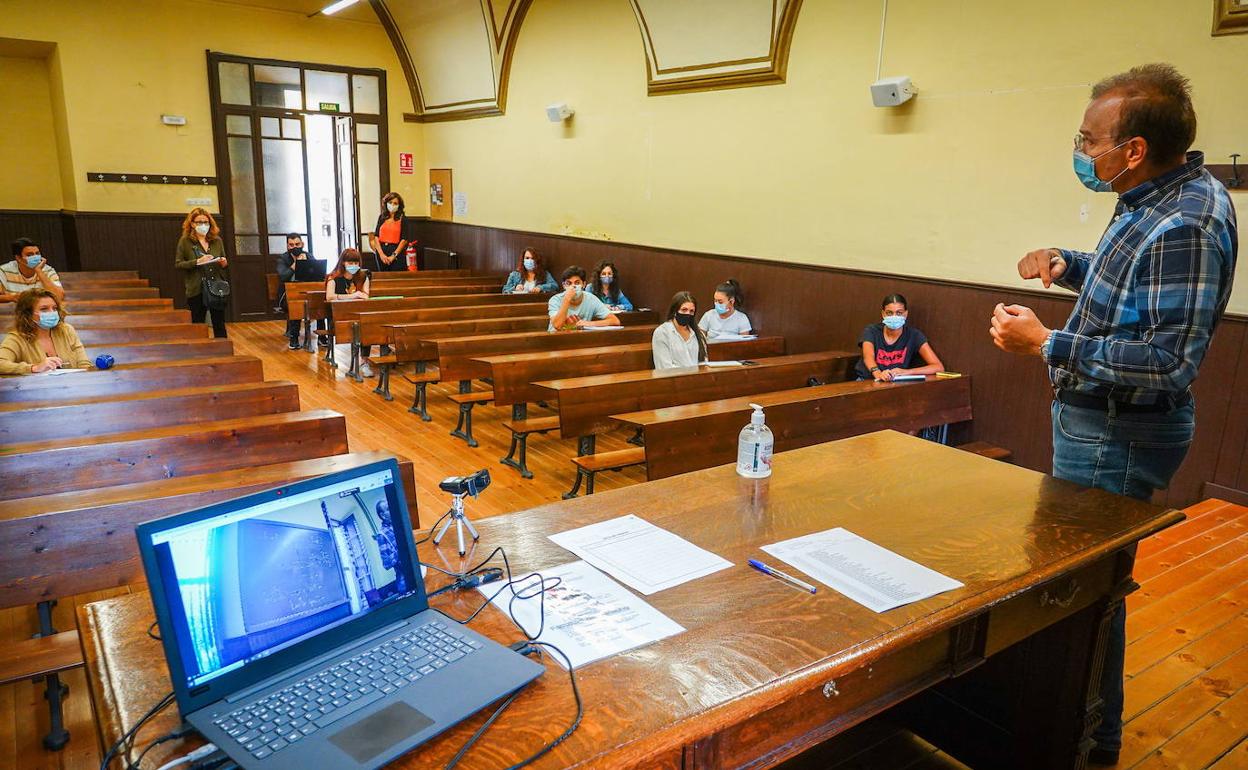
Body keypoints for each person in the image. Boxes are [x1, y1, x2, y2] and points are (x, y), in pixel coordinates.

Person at [990, 64, 1236, 767]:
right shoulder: (1153, 198)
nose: (1080, 148)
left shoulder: (1187, 220)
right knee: (1087, 585)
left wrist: (1045, 341)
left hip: (1117, 433)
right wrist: (1065, 262)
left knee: (1084, 593)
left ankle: (1081, 741)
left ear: (1132, 148)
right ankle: (1081, 729)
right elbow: (1133, 281)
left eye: (1089, 138)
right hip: (1098, 422)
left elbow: (1165, 360)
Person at [0, 289, 91, 375]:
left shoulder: (66, 330)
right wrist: (34, 368)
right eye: (44, 309)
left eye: (54, 308)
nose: (52, 312)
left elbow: (84, 364)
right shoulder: (17, 338)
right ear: (28, 314)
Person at [855, 294, 944, 381]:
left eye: (899, 313)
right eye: (889, 313)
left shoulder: (914, 335)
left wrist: (906, 372)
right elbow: (868, 357)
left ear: (905, 314)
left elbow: (938, 367)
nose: (894, 316)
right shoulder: (871, 331)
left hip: (896, 383)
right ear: (883, 314)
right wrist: (878, 374)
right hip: (867, 381)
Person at [174, 207, 229, 339]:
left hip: (216, 286)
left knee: (219, 322)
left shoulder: (217, 241)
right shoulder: (185, 241)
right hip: (196, 288)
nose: (203, 225)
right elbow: (178, 264)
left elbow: (224, 261)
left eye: (206, 222)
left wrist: (223, 262)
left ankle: (222, 350)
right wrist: (197, 261)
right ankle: (200, 351)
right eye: (199, 222)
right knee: (198, 322)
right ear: (192, 224)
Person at [326, 248, 374, 376]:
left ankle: (364, 361)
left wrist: (361, 295)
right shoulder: (334, 278)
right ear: (343, 263)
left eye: (356, 263)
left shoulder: (363, 277)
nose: (354, 266)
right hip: (340, 316)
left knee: (367, 327)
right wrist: (351, 296)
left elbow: (366, 295)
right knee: (357, 327)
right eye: (350, 263)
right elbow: (329, 297)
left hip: (359, 314)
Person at [276, 233, 326, 349]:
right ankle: (294, 338)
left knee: (320, 303)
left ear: (302, 244)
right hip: (287, 295)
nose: (295, 247)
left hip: (308, 292)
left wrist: (307, 263)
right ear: (288, 246)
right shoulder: (282, 259)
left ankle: (322, 337)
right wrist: (295, 265)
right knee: (296, 304)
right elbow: (283, 277)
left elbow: (319, 274)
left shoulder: (308, 256)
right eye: (291, 245)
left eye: (297, 244)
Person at [548, 266, 620, 331]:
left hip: (580, 340)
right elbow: (557, 325)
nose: (573, 286)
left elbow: (615, 321)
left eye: (577, 283)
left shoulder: (591, 299)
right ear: (564, 286)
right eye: (569, 283)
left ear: (584, 284)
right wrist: (567, 299)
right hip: (556, 340)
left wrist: (588, 323)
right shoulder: (555, 300)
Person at [652, 291, 707, 369]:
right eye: (684, 310)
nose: (688, 314)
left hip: (697, 378)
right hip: (673, 379)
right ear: (675, 311)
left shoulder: (698, 334)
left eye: (691, 311)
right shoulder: (662, 333)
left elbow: (704, 362)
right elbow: (664, 367)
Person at [1, 237, 64, 304]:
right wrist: (12, 297)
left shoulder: (48, 270)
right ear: (18, 258)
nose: (35, 257)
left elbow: (59, 296)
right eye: (29, 255)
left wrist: (39, 271)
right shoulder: (4, 270)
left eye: (37, 253)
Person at [367, 191, 411, 272]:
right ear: (386, 203)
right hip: (381, 251)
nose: (392, 205)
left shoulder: (403, 219)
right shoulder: (382, 217)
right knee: (383, 276)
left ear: (399, 205)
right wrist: (381, 254)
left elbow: (404, 240)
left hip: (396, 252)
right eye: (390, 202)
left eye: (395, 203)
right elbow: (376, 236)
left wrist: (393, 256)